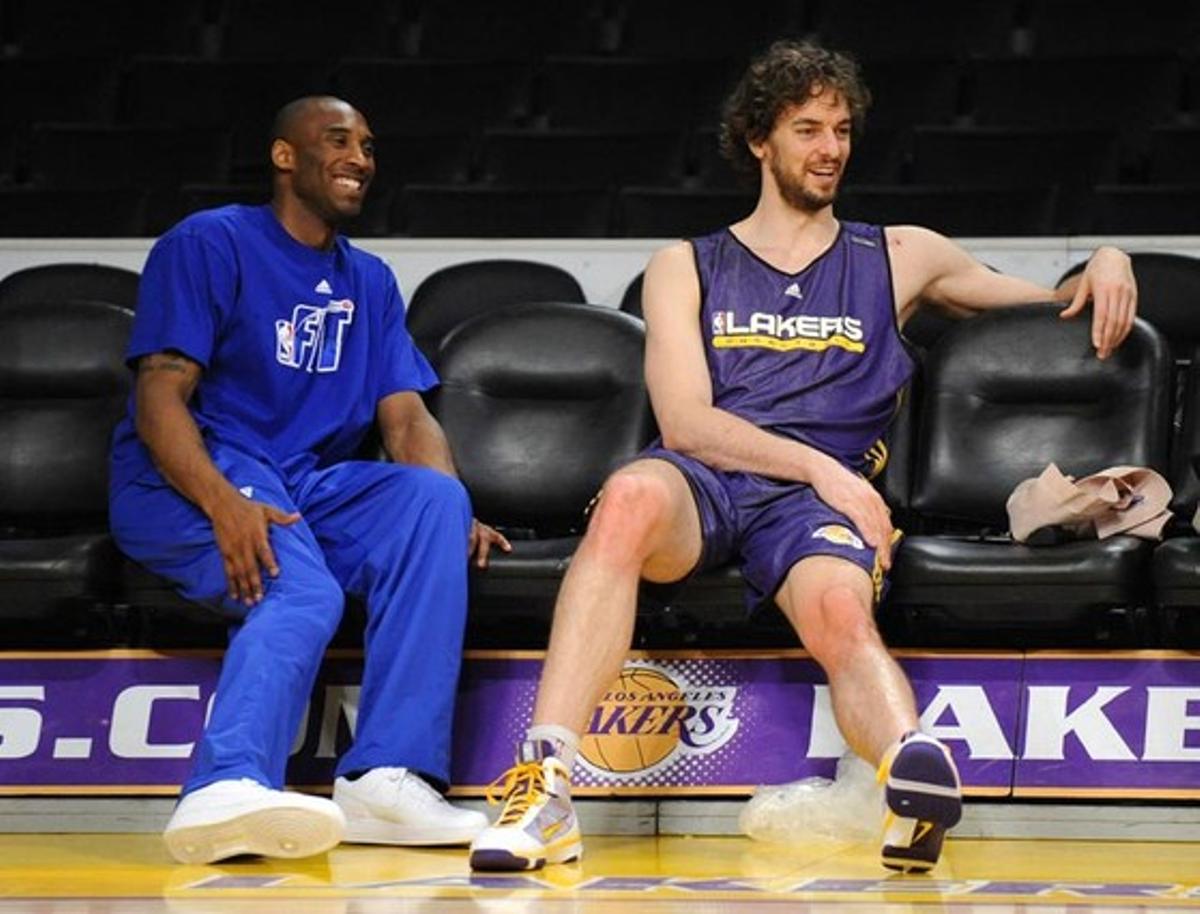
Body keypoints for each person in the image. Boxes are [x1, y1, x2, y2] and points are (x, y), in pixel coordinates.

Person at [467, 42, 1137, 874]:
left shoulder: (898, 255)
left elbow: (1052, 304)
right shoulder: (685, 264)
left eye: (843, 129)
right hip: (710, 481)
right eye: (808, 128)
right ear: (758, 140)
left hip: (815, 507)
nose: (830, 149)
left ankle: (912, 770)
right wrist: (823, 469)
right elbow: (685, 421)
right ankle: (547, 788)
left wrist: (1106, 259)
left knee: (840, 615)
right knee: (630, 496)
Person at [108, 96, 509, 865]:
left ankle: (385, 780)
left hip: (300, 483)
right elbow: (160, 393)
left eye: (367, 145)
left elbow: (406, 420)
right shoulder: (209, 243)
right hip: (194, 474)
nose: (361, 157)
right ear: (285, 157)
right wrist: (225, 504)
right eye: (338, 141)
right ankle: (223, 786)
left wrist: (452, 508)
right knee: (305, 591)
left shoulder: (371, 280)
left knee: (432, 501)